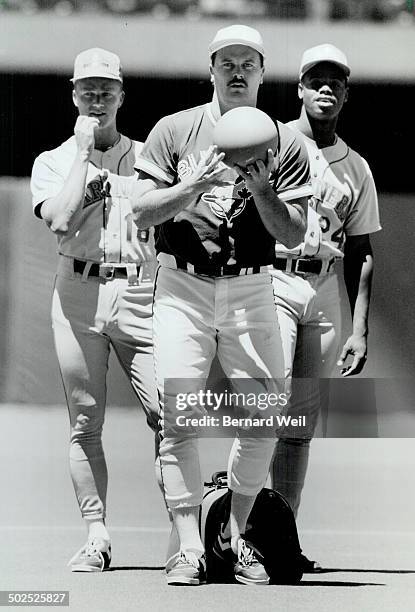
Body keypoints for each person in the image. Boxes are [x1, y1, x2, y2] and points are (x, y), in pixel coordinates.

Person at [108, 24, 311, 585]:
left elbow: (293, 234)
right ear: (213, 67)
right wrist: (189, 189)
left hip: (250, 288)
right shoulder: (175, 130)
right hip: (184, 287)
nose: (238, 70)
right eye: (228, 61)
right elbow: (142, 212)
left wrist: (263, 187)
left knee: (267, 415)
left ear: (264, 71)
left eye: (249, 62)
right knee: (180, 417)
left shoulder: (286, 141)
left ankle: (237, 535)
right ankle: (189, 547)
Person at [30, 48, 160, 572]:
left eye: (107, 89)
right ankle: (97, 535)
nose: (98, 98)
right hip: (78, 292)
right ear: (74, 93)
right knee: (85, 422)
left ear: (122, 95)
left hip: (140, 291)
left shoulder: (151, 154)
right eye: (88, 89)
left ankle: (188, 537)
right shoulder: (54, 160)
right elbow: (60, 221)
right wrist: (84, 156)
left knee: (168, 414)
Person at [269, 43, 381, 569]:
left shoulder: (355, 167)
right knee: (263, 413)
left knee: (299, 424)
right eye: (316, 78)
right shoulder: (270, 139)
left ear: (346, 93)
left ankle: (279, 538)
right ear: (299, 87)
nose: (326, 88)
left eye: (336, 80)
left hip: (322, 290)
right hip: (272, 279)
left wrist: (359, 329)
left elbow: (361, 250)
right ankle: (235, 528)